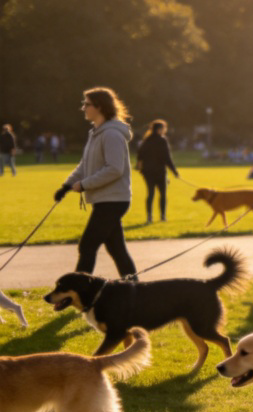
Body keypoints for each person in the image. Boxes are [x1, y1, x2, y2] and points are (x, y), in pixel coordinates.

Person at [54, 87, 137, 277]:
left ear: (99, 107)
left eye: (87, 104)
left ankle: (78, 293)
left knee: (87, 246)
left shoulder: (112, 135)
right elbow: (85, 165)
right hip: (104, 200)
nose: (83, 108)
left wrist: (84, 184)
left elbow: (115, 169)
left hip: (113, 201)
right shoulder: (96, 133)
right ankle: (135, 290)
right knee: (117, 250)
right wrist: (66, 186)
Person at [136, 120, 180, 223]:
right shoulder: (162, 140)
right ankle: (163, 216)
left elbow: (140, 155)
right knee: (163, 194)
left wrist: (140, 167)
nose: (165, 130)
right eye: (164, 128)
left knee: (150, 194)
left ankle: (149, 217)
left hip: (147, 171)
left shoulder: (146, 140)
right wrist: (174, 171)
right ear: (160, 129)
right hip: (160, 171)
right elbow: (167, 157)